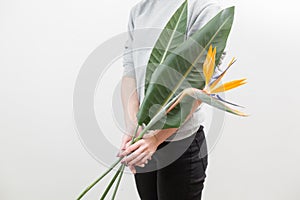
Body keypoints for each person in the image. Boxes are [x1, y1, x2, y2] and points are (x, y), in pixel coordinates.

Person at [118, 0, 226, 199]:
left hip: (180, 143)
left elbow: (203, 83)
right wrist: (133, 126)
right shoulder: (139, 11)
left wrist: (157, 138)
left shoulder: (202, 8)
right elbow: (129, 70)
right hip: (143, 142)